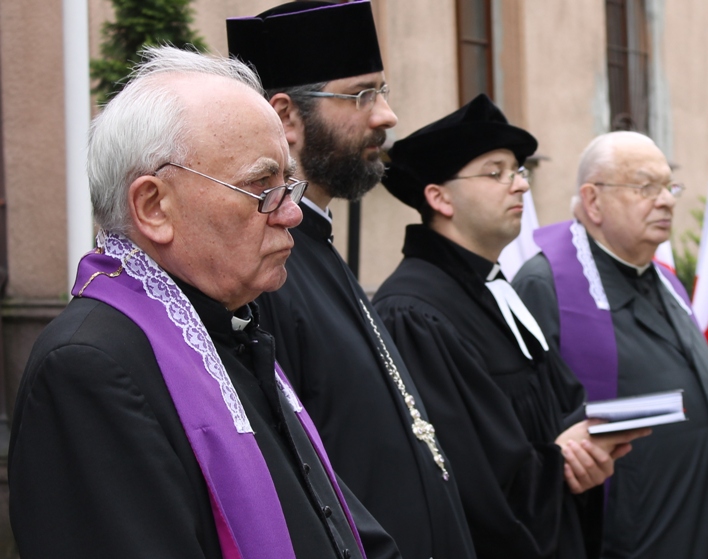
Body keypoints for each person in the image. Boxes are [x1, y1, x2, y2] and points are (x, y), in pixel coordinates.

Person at [8, 46, 401, 559]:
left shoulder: (231, 329)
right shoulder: (89, 367)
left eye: (289, 184)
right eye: (262, 188)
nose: (291, 215)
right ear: (153, 207)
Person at [227, 2, 476, 558]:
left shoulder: (316, 246)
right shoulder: (264, 274)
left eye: (383, 92)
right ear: (286, 117)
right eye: (363, 94)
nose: (386, 116)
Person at [373, 94, 648, 559]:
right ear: (439, 198)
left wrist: (586, 446)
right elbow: (465, 477)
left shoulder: (496, 285)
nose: (520, 185)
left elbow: (561, 401)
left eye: (518, 170)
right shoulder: (412, 313)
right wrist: (559, 462)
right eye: (495, 172)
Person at [512, 131, 708, 559]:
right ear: (593, 200)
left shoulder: (664, 279)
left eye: (668, 186)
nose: (666, 201)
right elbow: (532, 435)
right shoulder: (545, 286)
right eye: (645, 187)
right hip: (634, 541)